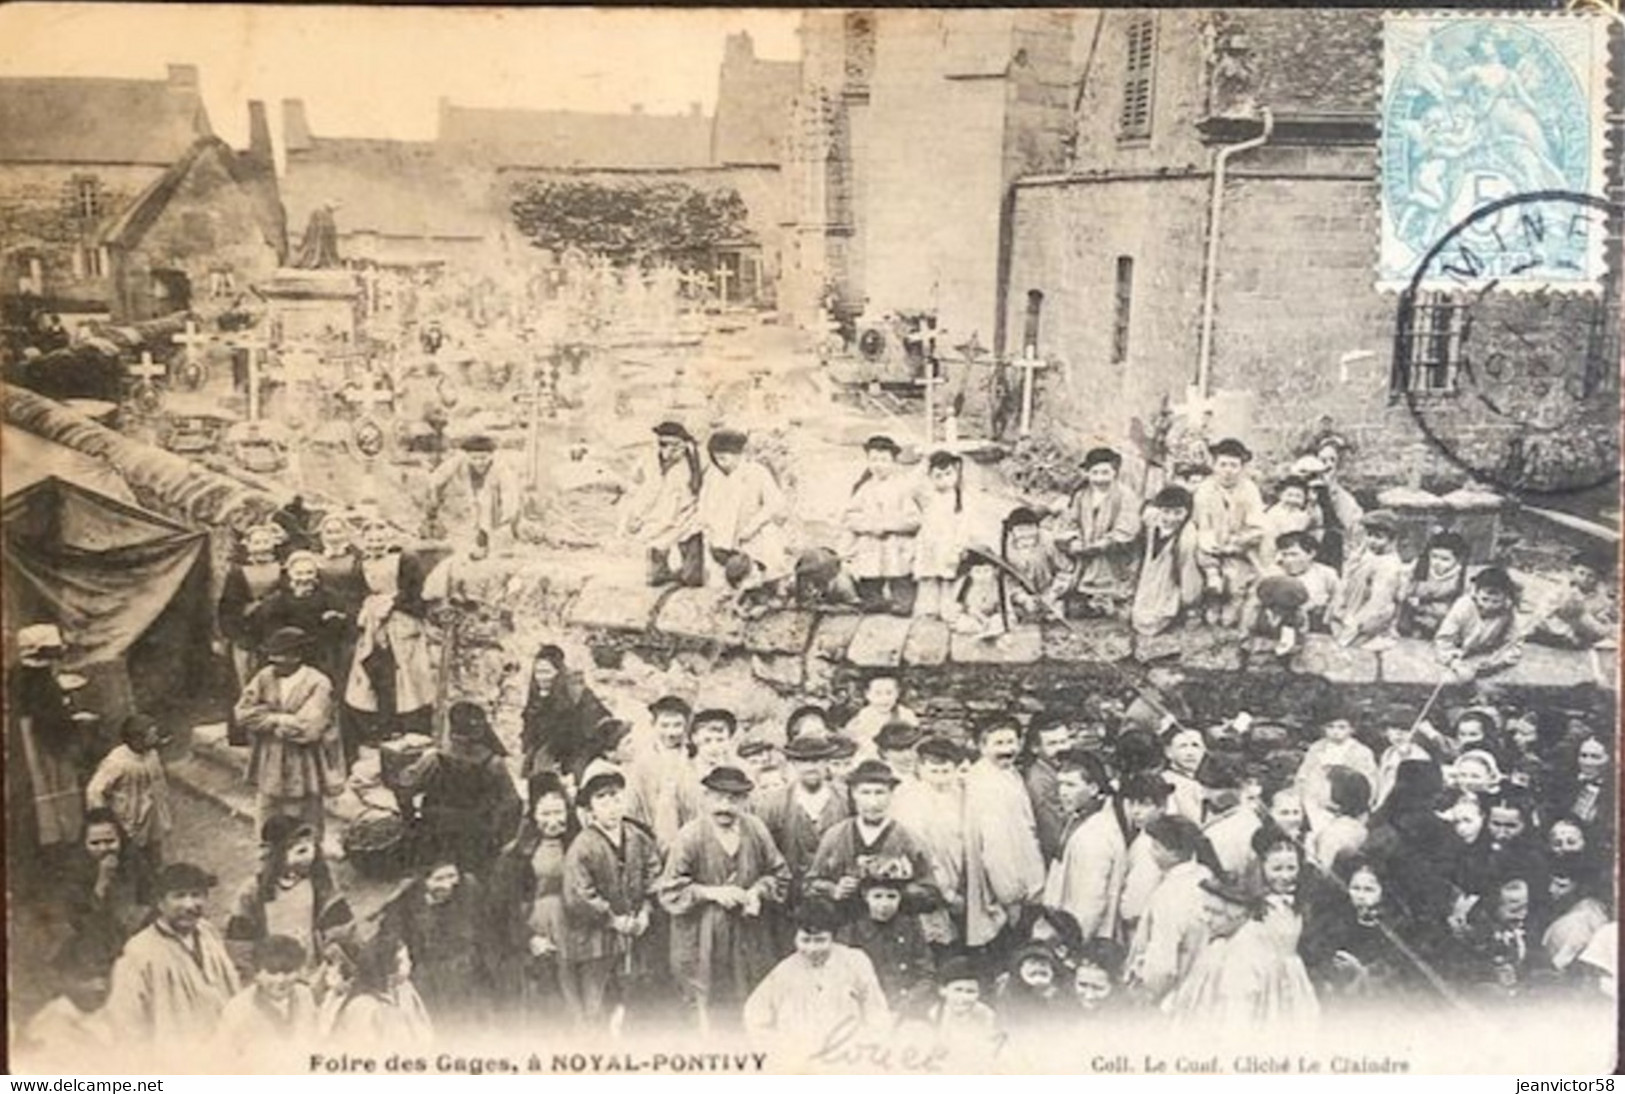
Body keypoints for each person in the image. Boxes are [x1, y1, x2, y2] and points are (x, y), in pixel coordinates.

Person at [660, 766, 790, 1030]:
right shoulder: (690, 835)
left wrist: (757, 891)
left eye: (733, 799)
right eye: (718, 798)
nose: (725, 806)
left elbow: (780, 874)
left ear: (744, 801)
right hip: (703, 938)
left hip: (749, 933)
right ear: (705, 798)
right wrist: (712, 893)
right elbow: (669, 891)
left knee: (752, 1001)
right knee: (708, 1008)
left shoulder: (755, 829)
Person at [562, 769, 663, 1028]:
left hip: (637, 933)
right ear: (590, 808)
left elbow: (655, 876)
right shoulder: (583, 845)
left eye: (616, 798)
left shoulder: (638, 837)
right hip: (597, 940)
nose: (611, 806)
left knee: (636, 999)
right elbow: (578, 895)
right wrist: (612, 919)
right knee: (597, 1004)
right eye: (602, 799)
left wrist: (645, 912)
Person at [104, 863, 241, 1050]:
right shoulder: (140, 950)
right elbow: (127, 1022)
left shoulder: (208, 932)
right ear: (160, 902)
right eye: (179, 896)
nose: (189, 905)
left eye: (196, 895)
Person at [1162, 873, 1319, 1030]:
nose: (1206, 918)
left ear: (1239, 914)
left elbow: (1238, 1017)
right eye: (1206, 910)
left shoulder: (1245, 952)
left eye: (1215, 912)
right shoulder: (1223, 940)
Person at [234, 627, 345, 842]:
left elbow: (309, 728)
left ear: (297, 656)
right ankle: (268, 868)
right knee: (267, 821)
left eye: (281, 656)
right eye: (272, 656)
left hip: (305, 763)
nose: (274, 662)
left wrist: (266, 719)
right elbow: (242, 713)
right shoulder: (265, 677)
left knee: (306, 823)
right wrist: (278, 719)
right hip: (270, 761)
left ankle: (309, 865)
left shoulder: (318, 683)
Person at [397, 702, 523, 878]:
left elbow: (404, 788)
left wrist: (411, 821)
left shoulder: (434, 760)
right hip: (478, 839)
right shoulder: (494, 763)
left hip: (438, 837)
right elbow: (512, 804)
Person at [487, 772, 575, 1019]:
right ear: (533, 815)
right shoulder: (516, 856)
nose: (553, 820)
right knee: (542, 999)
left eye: (559, 812)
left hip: (574, 928)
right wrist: (527, 938)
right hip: (536, 928)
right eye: (545, 814)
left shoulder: (579, 845)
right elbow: (503, 907)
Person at [343, 519, 435, 754]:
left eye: (380, 539)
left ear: (389, 539)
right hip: (374, 623)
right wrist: (366, 608)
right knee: (376, 670)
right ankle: (383, 727)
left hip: (402, 622)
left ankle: (412, 728)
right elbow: (355, 594)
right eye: (371, 540)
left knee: (408, 674)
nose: (376, 544)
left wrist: (393, 602)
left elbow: (418, 592)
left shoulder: (405, 560)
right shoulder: (361, 564)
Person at [807, 759, 939, 922]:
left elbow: (931, 893)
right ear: (854, 793)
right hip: (847, 927)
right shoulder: (835, 835)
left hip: (896, 930)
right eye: (866, 792)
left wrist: (897, 888)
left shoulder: (909, 839)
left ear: (891, 794)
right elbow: (811, 883)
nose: (873, 802)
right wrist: (834, 889)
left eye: (880, 792)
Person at [743, 897, 890, 1043]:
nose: (812, 949)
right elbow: (754, 1015)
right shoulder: (785, 971)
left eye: (820, 940)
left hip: (846, 1051)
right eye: (805, 940)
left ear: (833, 938)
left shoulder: (855, 961)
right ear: (795, 938)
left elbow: (876, 1011)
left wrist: (866, 1046)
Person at [1046, 771, 1170, 943]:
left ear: (1163, 806)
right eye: (1133, 803)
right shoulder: (1131, 835)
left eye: (1145, 805)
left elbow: (1132, 903)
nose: (1136, 812)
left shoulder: (1148, 844)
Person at [226, 816, 353, 974]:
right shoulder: (253, 890)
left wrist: (336, 955)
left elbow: (340, 925)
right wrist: (250, 972)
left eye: (312, 848)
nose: (309, 856)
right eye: (301, 851)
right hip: (272, 973)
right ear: (277, 854)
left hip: (313, 968)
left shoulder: (320, 884)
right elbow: (240, 941)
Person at [11, 623, 94, 860]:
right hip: (43, 740)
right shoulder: (41, 683)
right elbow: (51, 721)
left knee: (37, 784)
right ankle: (60, 836)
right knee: (53, 783)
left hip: (25, 734)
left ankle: (46, 834)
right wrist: (75, 720)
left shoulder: (17, 673)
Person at [377, 859, 492, 1029]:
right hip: (430, 980)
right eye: (439, 879)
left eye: (452, 876)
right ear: (424, 882)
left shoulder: (468, 895)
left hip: (467, 974)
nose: (447, 884)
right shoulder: (405, 906)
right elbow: (391, 937)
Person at [963, 718, 1047, 951]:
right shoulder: (986, 784)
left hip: (1023, 874)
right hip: (1005, 886)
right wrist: (1010, 894)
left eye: (1011, 742)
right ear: (982, 747)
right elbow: (996, 846)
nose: (1007, 749)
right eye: (998, 743)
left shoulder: (1010, 774)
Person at [1123, 816, 1214, 1002]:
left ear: (1174, 853)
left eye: (1156, 847)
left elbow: (1162, 966)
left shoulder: (1170, 895)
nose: (1150, 852)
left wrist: (1148, 995)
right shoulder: (1204, 876)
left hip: (1173, 995)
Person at [695, 428, 791, 605]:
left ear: (738, 455)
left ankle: (769, 593)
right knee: (723, 569)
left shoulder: (757, 472)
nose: (720, 462)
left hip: (752, 531)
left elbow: (775, 503)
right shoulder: (712, 475)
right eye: (716, 458)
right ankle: (730, 594)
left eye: (724, 458)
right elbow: (704, 503)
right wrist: (706, 524)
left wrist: (753, 526)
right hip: (722, 533)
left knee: (762, 564)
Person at [755, 734, 849, 914]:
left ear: (827, 762)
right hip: (791, 902)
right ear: (792, 764)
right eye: (803, 761)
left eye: (817, 760)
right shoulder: (773, 804)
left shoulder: (845, 798)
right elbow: (764, 856)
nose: (811, 767)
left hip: (838, 900)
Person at [891, 735, 968, 948]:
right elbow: (920, 852)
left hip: (959, 874)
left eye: (946, 772)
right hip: (929, 882)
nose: (940, 779)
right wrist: (946, 892)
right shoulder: (910, 800)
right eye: (934, 772)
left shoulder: (960, 795)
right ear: (921, 770)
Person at [56, 808, 152, 978]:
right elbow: (78, 917)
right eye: (95, 843)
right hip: (94, 938)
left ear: (120, 840)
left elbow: (149, 895)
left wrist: (139, 914)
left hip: (133, 932)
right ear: (84, 844)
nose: (103, 848)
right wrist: (102, 880)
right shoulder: (75, 870)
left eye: (110, 841)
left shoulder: (134, 861)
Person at [842, 434, 922, 615]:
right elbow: (849, 516)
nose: (878, 465)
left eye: (884, 460)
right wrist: (869, 526)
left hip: (896, 542)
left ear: (894, 462)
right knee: (869, 571)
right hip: (871, 541)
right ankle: (873, 599)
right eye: (874, 459)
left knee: (900, 571)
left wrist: (888, 525)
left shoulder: (903, 488)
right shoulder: (864, 489)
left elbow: (914, 519)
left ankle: (902, 600)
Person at [248, 551, 352, 690]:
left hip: (320, 656)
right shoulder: (277, 599)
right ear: (290, 573)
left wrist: (334, 620)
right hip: (288, 657)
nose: (304, 578)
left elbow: (342, 628)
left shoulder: (330, 596)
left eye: (309, 573)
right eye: (299, 573)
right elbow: (265, 628)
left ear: (316, 573)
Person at [84, 712, 172, 876]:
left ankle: (156, 884)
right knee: (130, 858)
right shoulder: (117, 762)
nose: (156, 738)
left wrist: (163, 810)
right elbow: (94, 790)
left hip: (151, 816)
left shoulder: (152, 754)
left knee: (154, 853)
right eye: (151, 735)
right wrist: (104, 819)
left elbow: (159, 782)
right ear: (136, 739)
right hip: (127, 818)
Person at [1191, 438, 1266, 627]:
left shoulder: (1249, 490)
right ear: (1214, 466)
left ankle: (1233, 600)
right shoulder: (1204, 490)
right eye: (1223, 464)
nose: (1228, 470)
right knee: (1204, 564)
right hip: (1211, 549)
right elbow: (1202, 524)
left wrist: (1235, 544)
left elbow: (1256, 527)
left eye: (1234, 465)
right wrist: (1212, 546)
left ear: (1241, 468)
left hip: (1239, 550)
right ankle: (1211, 595)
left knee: (1230, 616)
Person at [1061, 447, 1142, 618]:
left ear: (1114, 473)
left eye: (1105, 472)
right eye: (1095, 473)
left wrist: (1107, 542)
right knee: (1075, 609)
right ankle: (1088, 598)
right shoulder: (1081, 496)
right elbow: (1070, 521)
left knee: (1120, 610)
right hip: (1086, 556)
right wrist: (1074, 540)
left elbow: (1128, 525)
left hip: (1115, 556)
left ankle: (1114, 600)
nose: (1100, 478)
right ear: (1088, 474)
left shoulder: (1126, 495)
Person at [622, 420, 704, 588]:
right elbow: (634, 482)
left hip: (685, 511)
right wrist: (635, 511)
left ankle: (691, 573)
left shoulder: (693, 462)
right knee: (656, 541)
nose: (670, 450)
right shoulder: (648, 460)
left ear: (684, 445)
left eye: (676, 446)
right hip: (657, 510)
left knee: (691, 535)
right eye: (664, 445)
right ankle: (659, 572)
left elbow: (701, 486)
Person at [837, 877, 935, 1012]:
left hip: (907, 1003)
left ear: (900, 897)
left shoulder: (910, 927)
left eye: (891, 896)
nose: (884, 904)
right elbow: (844, 976)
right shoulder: (853, 930)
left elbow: (926, 972)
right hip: (869, 1005)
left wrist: (909, 1001)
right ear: (866, 896)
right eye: (877, 896)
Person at [519, 644, 611, 783]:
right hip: (546, 757)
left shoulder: (578, 695)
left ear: (558, 672)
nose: (541, 678)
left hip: (575, 754)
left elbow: (597, 725)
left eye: (546, 672)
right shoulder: (537, 698)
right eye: (537, 672)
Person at [214, 935, 318, 1055]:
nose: (281, 980)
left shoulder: (305, 995)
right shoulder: (238, 1009)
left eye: (288, 972)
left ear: (299, 971)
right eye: (272, 972)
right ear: (257, 973)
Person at [327, 932, 433, 1047]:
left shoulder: (406, 991)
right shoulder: (363, 1006)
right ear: (387, 967)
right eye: (402, 961)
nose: (409, 964)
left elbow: (426, 1029)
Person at [19, 937, 114, 1063]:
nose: (99, 986)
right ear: (65, 977)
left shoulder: (112, 1018)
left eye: (104, 974)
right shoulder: (48, 1028)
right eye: (87, 976)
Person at [218, 524, 285, 689]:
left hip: (275, 628)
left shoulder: (283, 569)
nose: (262, 547)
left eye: (265, 541)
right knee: (247, 676)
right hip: (247, 629)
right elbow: (228, 605)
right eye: (257, 542)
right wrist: (236, 632)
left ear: (274, 543)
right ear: (247, 545)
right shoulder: (238, 573)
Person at [428, 434, 522, 552]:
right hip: (468, 510)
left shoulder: (502, 468)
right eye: (474, 458)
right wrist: (434, 500)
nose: (479, 462)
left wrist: (506, 521)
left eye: (483, 458)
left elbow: (510, 496)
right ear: (467, 456)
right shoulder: (458, 461)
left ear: (491, 455)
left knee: (496, 541)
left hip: (495, 507)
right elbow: (437, 478)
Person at [1130, 486, 1204, 636]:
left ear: (1187, 513)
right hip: (1151, 577)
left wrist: (1189, 601)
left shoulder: (1187, 537)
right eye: (1166, 512)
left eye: (1178, 513)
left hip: (1173, 579)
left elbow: (1188, 572)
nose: (1171, 518)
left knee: (1157, 617)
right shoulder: (1152, 522)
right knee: (1140, 616)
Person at [627, 694, 698, 847]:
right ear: (654, 725)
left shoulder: (694, 758)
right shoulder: (643, 762)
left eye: (677, 725)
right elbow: (632, 808)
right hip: (654, 841)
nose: (671, 733)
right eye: (665, 725)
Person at [1296, 704, 1378, 832]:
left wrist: (1355, 806)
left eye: (1341, 727)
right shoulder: (1316, 748)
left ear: (1351, 729)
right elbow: (1303, 774)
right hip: (1318, 802)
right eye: (1330, 727)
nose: (1335, 732)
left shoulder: (1361, 752)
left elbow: (1369, 781)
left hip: (1349, 806)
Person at [1330, 510, 1405, 646]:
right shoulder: (1368, 554)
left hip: (1368, 616)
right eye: (1369, 535)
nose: (1372, 541)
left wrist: (1356, 623)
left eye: (1379, 537)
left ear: (1392, 539)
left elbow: (1379, 601)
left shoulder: (1390, 565)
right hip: (1352, 606)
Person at [1434, 567, 1524, 679]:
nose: (1489, 606)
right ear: (1476, 593)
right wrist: (1455, 664)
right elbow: (1443, 641)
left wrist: (1497, 661)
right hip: (1458, 653)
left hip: (1485, 655)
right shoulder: (1463, 606)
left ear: (1505, 598)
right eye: (1485, 599)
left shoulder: (1508, 610)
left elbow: (1514, 644)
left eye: (1496, 601)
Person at [913, 450, 971, 620]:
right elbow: (912, 485)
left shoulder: (961, 499)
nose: (944, 480)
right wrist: (924, 462)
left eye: (948, 474)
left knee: (948, 578)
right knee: (930, 577)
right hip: (930, 544)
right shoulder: (928, 496)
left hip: (949, 545)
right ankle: (930, 609)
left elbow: (964, 527)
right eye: (938, 476)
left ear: (956, 474)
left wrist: (958, 548)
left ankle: (948, 609)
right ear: (929, 477)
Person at [1529, 547, 1616, 649]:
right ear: (1573, 571)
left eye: (1590, 576)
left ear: (1598, 578)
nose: (1584, 579)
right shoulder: (1560, 590)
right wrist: (1568, 632)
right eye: (1581, 573)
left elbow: (1600, 621)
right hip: (1550, 632)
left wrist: (1598, 618)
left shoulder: (1601, 597)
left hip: (1582, 637)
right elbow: (1544, 614)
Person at [1002, 506, 1071, 624]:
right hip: (1022, 597)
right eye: (1020, 530)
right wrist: (1022, 598)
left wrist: (1052, 593)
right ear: (1012, 531)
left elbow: (1066, 570)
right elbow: (1007, 579)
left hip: (1049, 592)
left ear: (1037, 528)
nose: (1026, 534)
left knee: (1057, 616)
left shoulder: (1047, 541)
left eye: (1030, 528)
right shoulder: (1006, 549)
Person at [1263, 531, 1340, 631]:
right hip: (1281, 628)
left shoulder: (1326, 574)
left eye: (1294, 554)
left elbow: (1339, 599)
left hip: (1318, 627)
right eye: (1285, 555)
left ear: (1311, 554)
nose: (1288, 560)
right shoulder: (1275, 574)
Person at [1398, 531, 1470, 638]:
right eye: (1434, 556)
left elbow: (1462, 602)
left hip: (1440, 612)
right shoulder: (1421, 566)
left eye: (1445, 559)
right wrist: (1408, 595)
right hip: (1415, 608)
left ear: (1458, 559)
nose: (1437, 562)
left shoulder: (1461, 575)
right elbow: (1406, 586)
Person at [1023, 717, 1074, 861]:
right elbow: (1054, 833)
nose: (1061, 749)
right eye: (1052, 744)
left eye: (1064, 742)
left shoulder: (1059, 769)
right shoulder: (1040, 782)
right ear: (1035, 748)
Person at [841, 671, 917, 760]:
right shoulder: (861, 718)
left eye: (889, 693)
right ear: (867, 694)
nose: (884, 699)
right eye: (878, 693)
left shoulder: (906, 714)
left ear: (897, 693)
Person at [1259, 477, 1317, 569]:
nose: (1293, 500)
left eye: (1298, 496)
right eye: (1289, 495)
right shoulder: (1273, 514)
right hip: (1272, 554)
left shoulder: (1304, 516)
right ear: (1281, 495)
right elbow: (1268, 543)